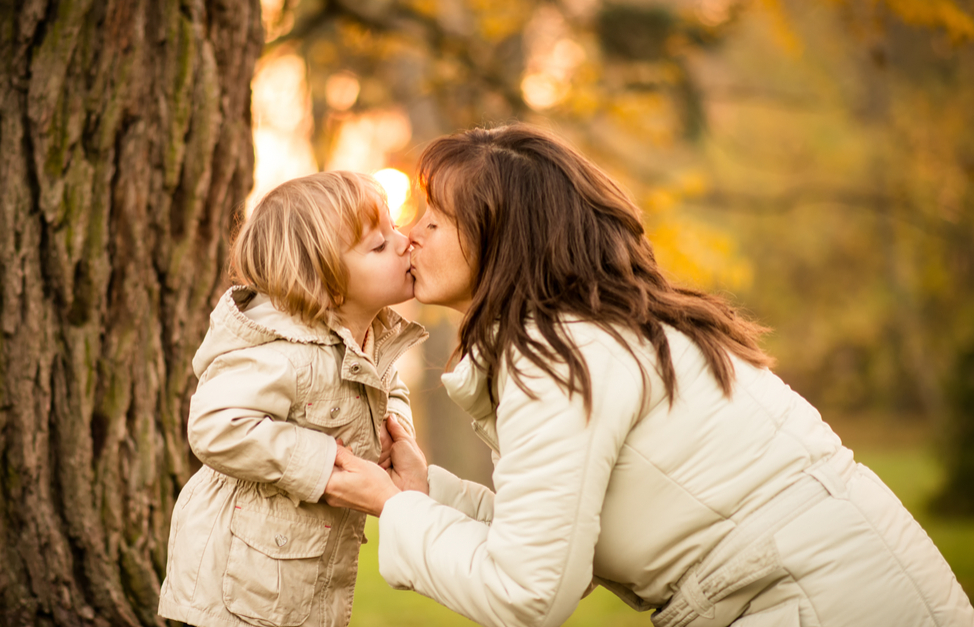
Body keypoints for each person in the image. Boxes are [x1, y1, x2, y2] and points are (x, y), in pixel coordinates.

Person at [323, 124, 974, 627]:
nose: (409, 237)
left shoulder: (556, 356)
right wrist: (418, 490)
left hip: (823, 601)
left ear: (501, 239)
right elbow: (560, 543)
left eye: (432, 221)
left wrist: (393, 506)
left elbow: (528, 590)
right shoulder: (584, 334)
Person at [158, 171, 426, 627]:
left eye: (394, 230)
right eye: (379, 245)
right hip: (238, 585)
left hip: (292, 574)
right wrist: (322, 464)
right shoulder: (285, 353)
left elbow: (390, 386)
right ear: (328, 283)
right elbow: (215, 426)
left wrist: (394, 429)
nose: (404, 243)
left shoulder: (370, 338)